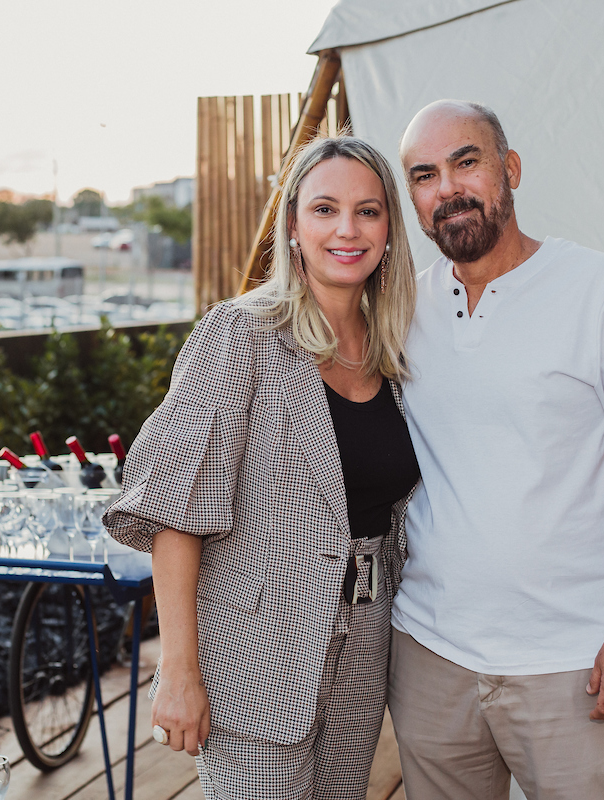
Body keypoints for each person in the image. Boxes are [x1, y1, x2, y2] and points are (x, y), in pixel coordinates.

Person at [104, 134, 420, 799]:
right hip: (253, 650)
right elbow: (175, 513)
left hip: (363, 645)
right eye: (325, 209)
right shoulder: (240, 334)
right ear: (295, 227)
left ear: (390, 229)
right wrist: (177, 671)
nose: (347, 229)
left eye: (368, 211)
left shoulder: (396, 349)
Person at [388, 100, 604, 799]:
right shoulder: (402, 305)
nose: (448, 187)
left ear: (510, 169)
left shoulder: (599, 289)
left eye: (467, 161)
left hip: (570, 660)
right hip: (430, 653)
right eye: (424, 174)